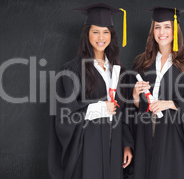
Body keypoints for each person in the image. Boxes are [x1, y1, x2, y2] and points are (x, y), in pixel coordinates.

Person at [127, 6, 184, 179]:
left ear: (175, 30)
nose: (162, 32)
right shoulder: (141, 64)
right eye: (157, 27)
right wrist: (136, 96)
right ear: (152, 31)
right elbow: (134, 109)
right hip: (145, 135)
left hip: (174, 138)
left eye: (167, 26)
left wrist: (171, 103)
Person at [48, 3, 132, 179]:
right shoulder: (71, 70)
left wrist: (126, 144)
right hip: (87, 148)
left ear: (112, 36)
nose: (101, 37)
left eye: (106, 32)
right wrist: (100, 108)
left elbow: (124, 113)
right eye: (95, 31)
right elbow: (65, 114)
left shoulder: (118, 71)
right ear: (87, 34)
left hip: (114, 148)